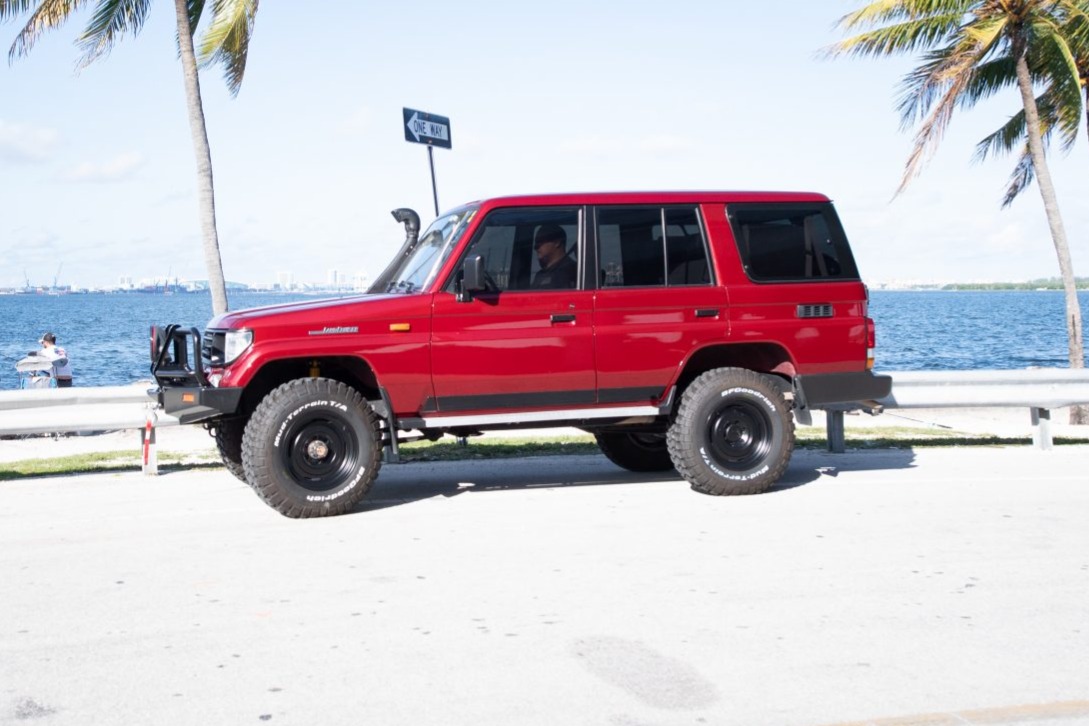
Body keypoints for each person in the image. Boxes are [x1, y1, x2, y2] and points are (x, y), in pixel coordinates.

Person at [531, 224, 577, 289]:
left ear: (556, 242)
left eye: (540, 241)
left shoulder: (572, 271)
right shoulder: (540, 275)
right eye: (536, 243)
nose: (536, 247)